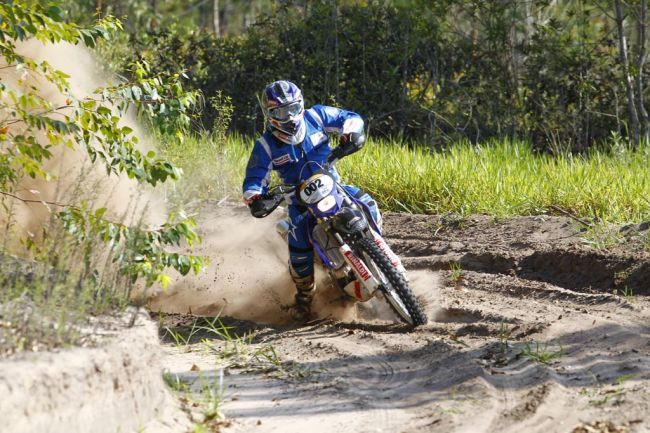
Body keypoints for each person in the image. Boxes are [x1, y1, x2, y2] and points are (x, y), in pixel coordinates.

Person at [242, 80, 380, 321]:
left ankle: (379, 247)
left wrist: (351, 133)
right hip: (299, 203)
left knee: (366, 202)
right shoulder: (265, 145)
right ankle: (305, 296)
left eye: (293, 109)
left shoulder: (316, 116)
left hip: (332, 185)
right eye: (281, 113)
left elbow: (350, 117)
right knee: (299, 250)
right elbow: (254, 178)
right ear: (270, 114)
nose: (289, 117)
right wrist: (255, 196)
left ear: (301, 105)